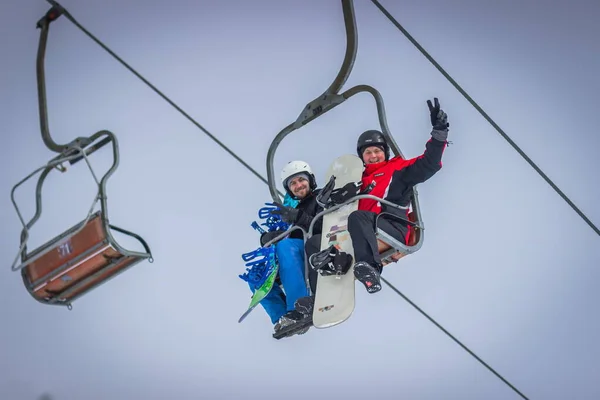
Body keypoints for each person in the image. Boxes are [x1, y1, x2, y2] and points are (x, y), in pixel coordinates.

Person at [308, 97, 450, 295]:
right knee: (315, 241)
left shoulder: (398, 168)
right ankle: (319, 291)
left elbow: (429, 163)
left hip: (391, 227)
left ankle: (370, 269)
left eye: (377, 151)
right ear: (362, 157)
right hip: (358, 232)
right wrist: (325, 201)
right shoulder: (356, 181)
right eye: (368, 153)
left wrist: (439, 134)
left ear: (385, 152)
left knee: (358, 217)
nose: (373, 156)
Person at [246, 160, 324, 335]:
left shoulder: (321, 198)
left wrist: (298, 218)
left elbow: (324, 226)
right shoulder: (291, 209)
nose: (298, 185)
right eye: (293, 184)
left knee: (286, 245)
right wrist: (270, 237)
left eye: (301, 180)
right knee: (257, 277)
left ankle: (299, 307)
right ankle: (284, 317)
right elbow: (287, 234)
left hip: (314, 247)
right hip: (292, 256)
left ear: (310, 180)